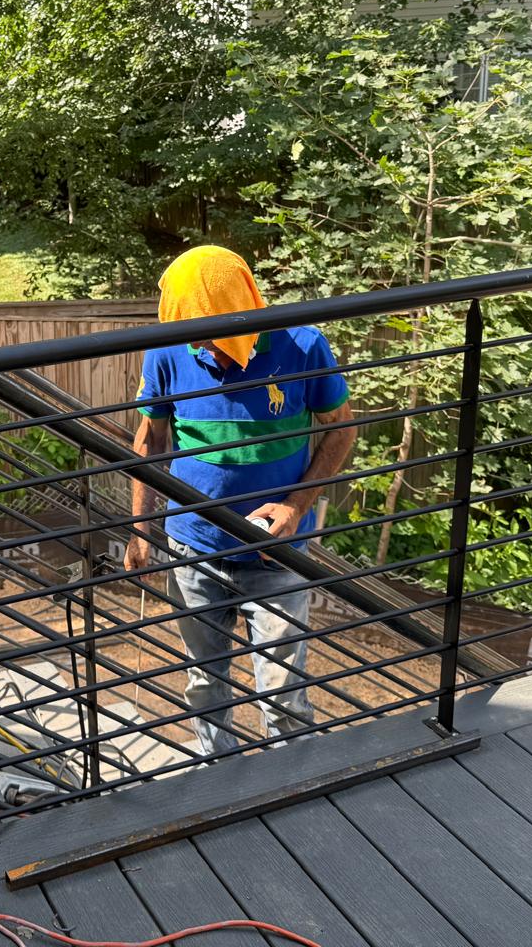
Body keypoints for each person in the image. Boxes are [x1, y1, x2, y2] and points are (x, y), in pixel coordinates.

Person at [125, 246, 356, 753]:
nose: (197, 344)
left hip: (276, 554)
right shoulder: (166, 350)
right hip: (193, 548)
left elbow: (341, 429)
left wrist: (296, 506)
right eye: (189, 331)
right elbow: (149, 441)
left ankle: (290, 777)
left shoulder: (302, 345)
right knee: (204, 683)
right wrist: (140, 530)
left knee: (282, 695)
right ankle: (219, 771)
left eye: (207, 331)